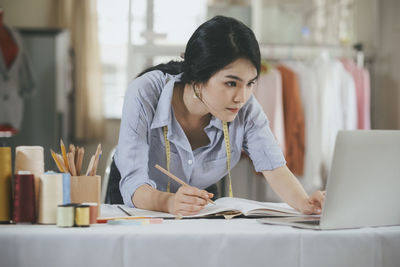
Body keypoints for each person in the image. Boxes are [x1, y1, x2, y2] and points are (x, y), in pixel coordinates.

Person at [114, 15, 325, 216]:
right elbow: (134, 183)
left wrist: (304, 203)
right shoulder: (145, 92)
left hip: (194, 207)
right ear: (198, 76)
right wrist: (169, 202)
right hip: (137, 206)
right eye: (231, 83)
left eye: (250, 83)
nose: (241, 97)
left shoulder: (246, 108)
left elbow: (275, 167)